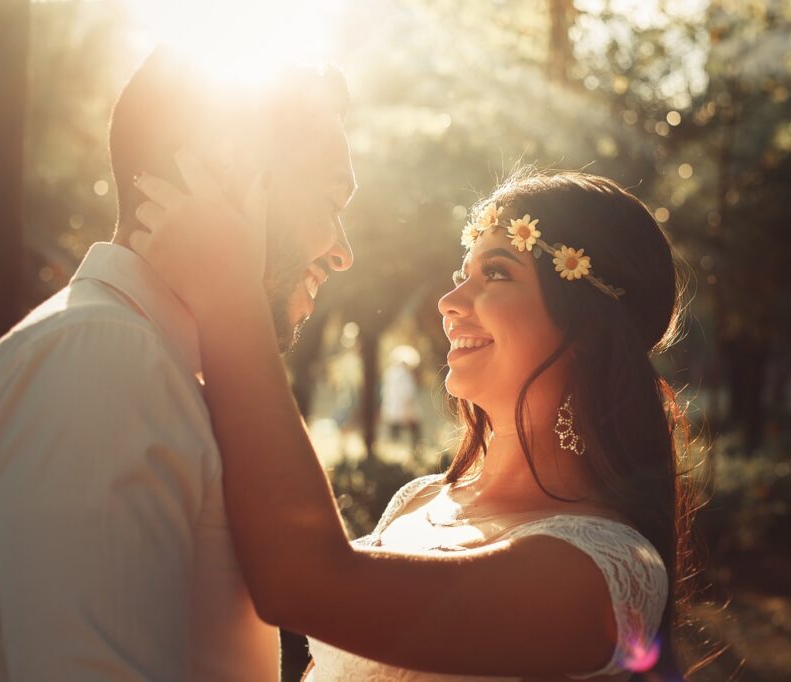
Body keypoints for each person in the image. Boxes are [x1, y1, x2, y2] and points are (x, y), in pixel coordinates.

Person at [130, 164, 699, 680]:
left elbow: (302, 584)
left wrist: (228, 292)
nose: (449, 301)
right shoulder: (418, 501)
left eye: (496, 274)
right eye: (462, 273)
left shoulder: (602, 573)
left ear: (590, 331)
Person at [0, 47, 355, 680]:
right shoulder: (101, 359)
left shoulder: (146, 360)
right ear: (231, 169)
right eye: (333, 202)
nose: (343, 253)